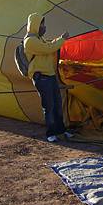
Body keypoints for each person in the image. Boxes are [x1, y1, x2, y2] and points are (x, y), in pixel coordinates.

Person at [24, 13, 74, 142]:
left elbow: (50, 46)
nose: (44, 27)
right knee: (49, 106)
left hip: (50, 76)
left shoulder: (40, 39)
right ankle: (50, 133)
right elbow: (48, 49)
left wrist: (58, 40)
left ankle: (61, 130)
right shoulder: (30, 41)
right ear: (35, 25)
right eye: (41, 24)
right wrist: (62, 39)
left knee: (57, 104)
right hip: (41, 78)